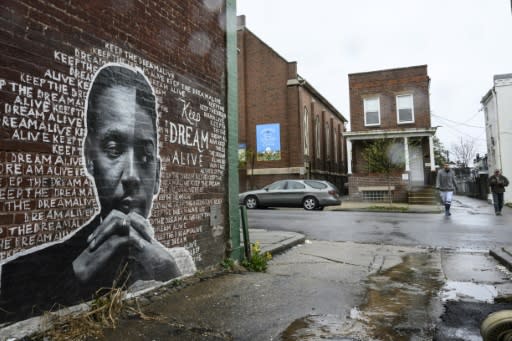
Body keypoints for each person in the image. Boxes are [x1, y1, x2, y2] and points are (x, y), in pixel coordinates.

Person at [0, 65, 195, 322]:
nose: (132, 176)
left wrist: (171, 277)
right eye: (114, 149)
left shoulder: (174, 264)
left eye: (146, 156)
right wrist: (75, 276)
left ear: (158, 175)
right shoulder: (21, 274)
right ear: (89, 157)